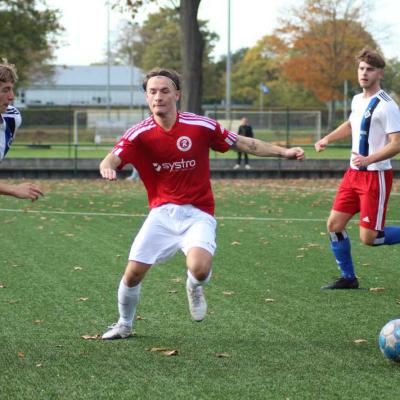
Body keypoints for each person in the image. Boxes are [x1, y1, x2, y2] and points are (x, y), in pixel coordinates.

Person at [99, 67, 305, 340]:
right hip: (161, 215)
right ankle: (124, 324)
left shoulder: (200, 126)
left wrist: (284, 152)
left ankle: (194, 286)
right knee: (133, 274)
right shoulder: (139, 133)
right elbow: (112, 157)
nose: (158, 96)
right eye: (152, 92)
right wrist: (107, 167)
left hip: (198, 213)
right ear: (147, 97)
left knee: (199, 268)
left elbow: (242, 143)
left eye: (164, 91)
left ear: (177, 94)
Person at [314, 48, 400, 289]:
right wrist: (327, 139)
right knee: (334, 225)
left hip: (376, 176)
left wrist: (369, 159)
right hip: (353, 175)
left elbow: (397, 144)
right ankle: (349, 278)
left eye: (369, 69)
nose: (364, 73)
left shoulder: (387, 106)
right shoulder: (356, 99)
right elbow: (352, 124)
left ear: (380, 73)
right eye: (361, 68)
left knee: (370, 238)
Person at [0, 60, 43, 201]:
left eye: (11, 89)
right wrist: (13, 189)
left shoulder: (13, 118)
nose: (11, 96)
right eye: (5, 90)